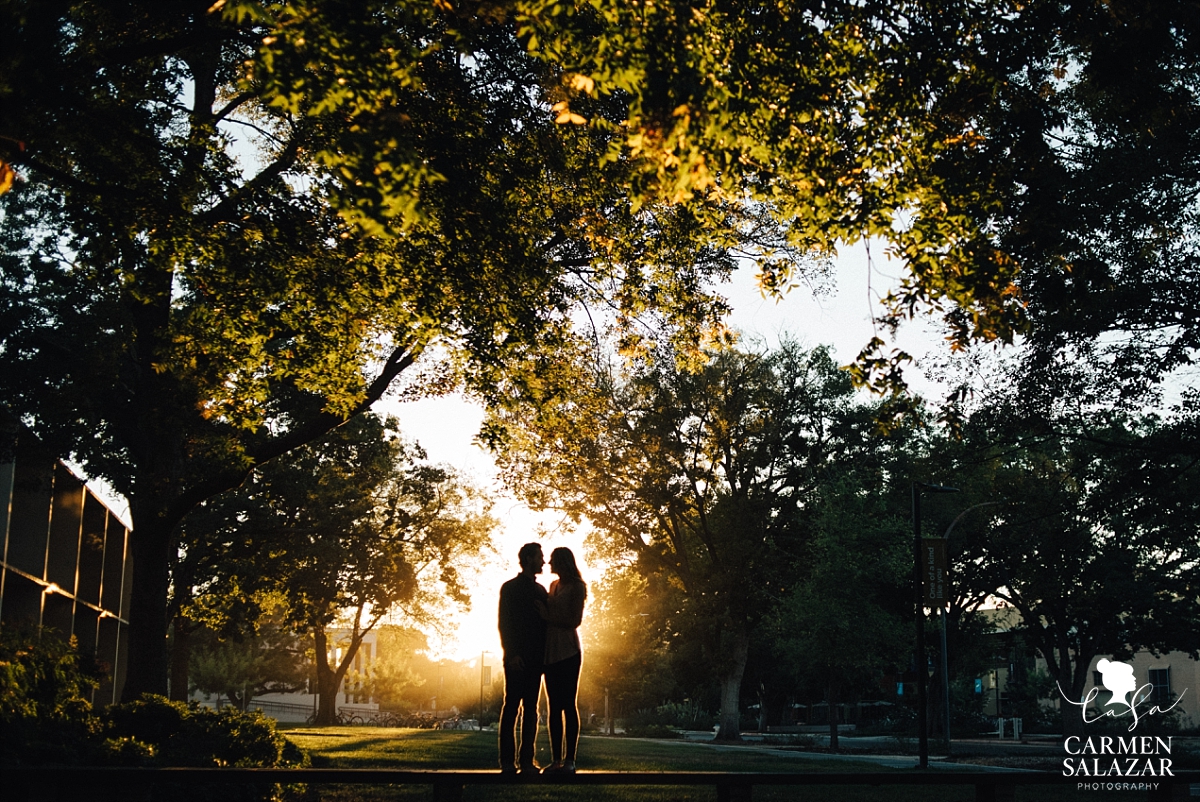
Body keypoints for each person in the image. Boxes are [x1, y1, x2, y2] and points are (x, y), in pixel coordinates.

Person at [497, 542, 548, 774]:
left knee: (531, 709)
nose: (543, 561)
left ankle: (526, 761)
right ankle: (508, 761)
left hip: (536, 658)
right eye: (540, 557)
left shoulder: (541, 591)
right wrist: (511, 653)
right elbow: (505, 624)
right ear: (529, 559)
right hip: (517, 658)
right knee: (512, 708)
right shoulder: (510, 588)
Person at [539, 547, 587, 774]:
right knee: (553, 706)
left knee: (568, 704)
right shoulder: (553, 586)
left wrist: (548, 617)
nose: (548, 563)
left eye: (552, 560)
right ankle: (555, 759)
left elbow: (574, 620)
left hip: (568, 651)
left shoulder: (578, 587)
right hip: (551, 651)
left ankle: (570, 760)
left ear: (562, 562)